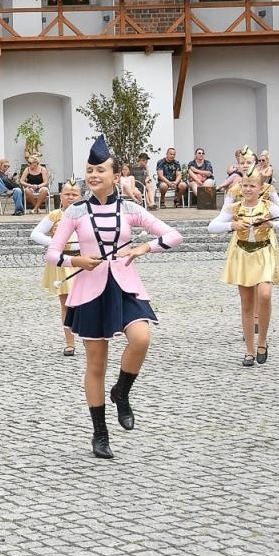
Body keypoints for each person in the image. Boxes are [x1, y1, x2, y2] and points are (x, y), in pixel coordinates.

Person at [45, 134, 183, 460]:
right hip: (90, 290)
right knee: (96, 363)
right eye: (90, 170)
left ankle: (121, 391)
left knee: (142, 338)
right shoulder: (75, 212)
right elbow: (52, 253)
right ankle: (100, 433)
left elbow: (173, 235)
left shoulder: (130, 208)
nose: (94, 175)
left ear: (115, 175)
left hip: (125, 285)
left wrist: (144, 248)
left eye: (100, 170)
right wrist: (77, 261)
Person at [208, 159, 279, 367]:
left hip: (263, 253)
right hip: (243, 255)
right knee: (247, 303)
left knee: (265, 294)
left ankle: (263, 341)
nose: (248, 189)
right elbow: (212, 226)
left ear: (260, 188)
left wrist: (272, 224)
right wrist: (231, 225)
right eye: (245, 185)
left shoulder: (267, 206)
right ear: (240, 187)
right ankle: (249, 349)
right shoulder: (234, 207)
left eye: (252, 186)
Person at [32, 180, 82, 357]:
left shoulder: (87, 215)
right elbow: (35, 234)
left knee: (87, 302)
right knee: (66, 303)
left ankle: (90, 337)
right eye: (67, 194)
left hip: (83, 260)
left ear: (80, 197)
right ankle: (70, 342)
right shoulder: (55, 215)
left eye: (74, 194)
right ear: (61, 196)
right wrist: (54, 243)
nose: (71, 197)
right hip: (63, 262)